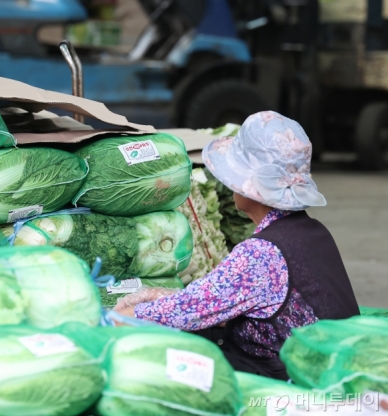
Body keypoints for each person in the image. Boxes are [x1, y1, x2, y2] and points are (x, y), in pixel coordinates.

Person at [114, 111, 360, 380]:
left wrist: (120, 317)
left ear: (250, 188)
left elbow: (183, 313)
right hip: (330, 367)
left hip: (290, 382)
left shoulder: (261, 254)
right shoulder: (313, 231)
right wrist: (161, 296)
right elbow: (213, 300)